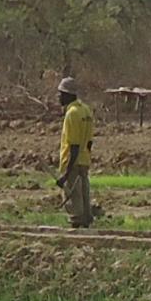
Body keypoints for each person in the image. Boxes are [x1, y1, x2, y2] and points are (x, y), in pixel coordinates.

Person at [56, 78, 96, 228]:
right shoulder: (86, 110)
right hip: (84, 160)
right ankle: (86, 222)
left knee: (74, 200)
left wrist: (66, 173)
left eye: (60, 94)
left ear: (67, 94)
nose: (58, 97)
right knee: (84, 196)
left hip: (72, 162)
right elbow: (89, 142)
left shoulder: (71, 113)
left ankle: (77, 228)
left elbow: (73, 145)